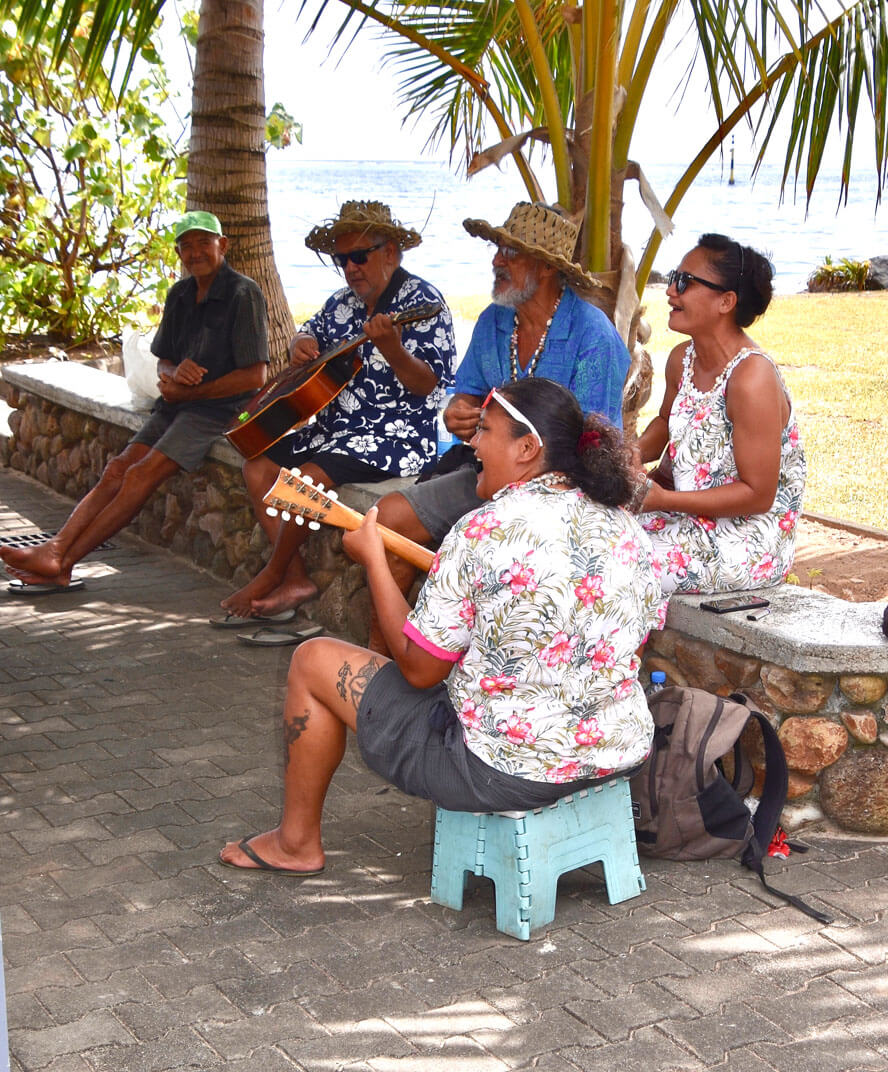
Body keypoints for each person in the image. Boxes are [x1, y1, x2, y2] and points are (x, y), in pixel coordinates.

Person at [219, 377, 664, 875]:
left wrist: (375, 563)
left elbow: (418, 671)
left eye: (486, 432)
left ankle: (296, 842)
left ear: (526, 448)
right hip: (619, 749)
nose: (472, 444)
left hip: (506, 772)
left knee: (311, 660)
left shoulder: (481, 531)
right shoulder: (624, 524)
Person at [369, 201, 630, 651]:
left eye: (510, 253)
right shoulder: (495, 321)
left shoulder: (592, 334)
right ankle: (381, 682)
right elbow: (466, 393)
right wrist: (458, 413)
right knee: (384, 523)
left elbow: (593, 442)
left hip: (558, 498)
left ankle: (427, 670)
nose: (496, 261)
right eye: (498, 250)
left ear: (547, 268)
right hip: (487, 474)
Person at [0, 211, 269, 593]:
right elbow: (164, 359)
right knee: (116, 470)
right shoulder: (180, 294)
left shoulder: (244, 293)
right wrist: (174, 374)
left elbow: (255, 377)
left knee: (141, 475)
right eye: (186, 246)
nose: (195, 253)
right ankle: (56, 550)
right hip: (175, 404)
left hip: (217, 412)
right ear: (179, 253)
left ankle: (62, 559)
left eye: (203, 243)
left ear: (222, 245)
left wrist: (189, 391)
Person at [219, 200, 455, 621]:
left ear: (391, 252)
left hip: (393, 438)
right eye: (341, 259)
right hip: (333, 431)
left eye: (360, 257)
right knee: (257, 466)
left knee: (307, 478)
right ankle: (295, 577)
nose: (351, 268)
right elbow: (308, 333)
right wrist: (298, 345)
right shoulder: (342, 303)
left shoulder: (425, 302)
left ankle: (272, 572)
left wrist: (394, 350)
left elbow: (429, 384)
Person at [635, 233, 806, 595]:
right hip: (687, 518)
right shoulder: (682, 359)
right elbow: (667, 422)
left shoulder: (751, 378)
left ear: (726, 301)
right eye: (672, 278)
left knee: (613, 561)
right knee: (583, 531)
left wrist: (664, 500)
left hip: (745, 540)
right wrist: (632, 452)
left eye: (684, 282)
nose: (670, 292)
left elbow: (758, 494)